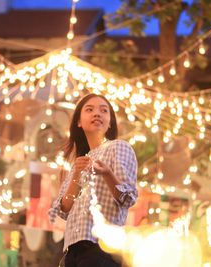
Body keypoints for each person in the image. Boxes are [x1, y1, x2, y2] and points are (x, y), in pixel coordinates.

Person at [49, 93, 138, 267]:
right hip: (72, 250)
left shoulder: (117, 147)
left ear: (110, 122)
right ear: (79, 122)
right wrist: (75, 175)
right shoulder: (79, 161)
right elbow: (64, 209)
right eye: (89, 110)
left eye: (104, 111)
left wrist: (107, 173)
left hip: (101, 247)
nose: (97, 114)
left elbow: (128, 197)